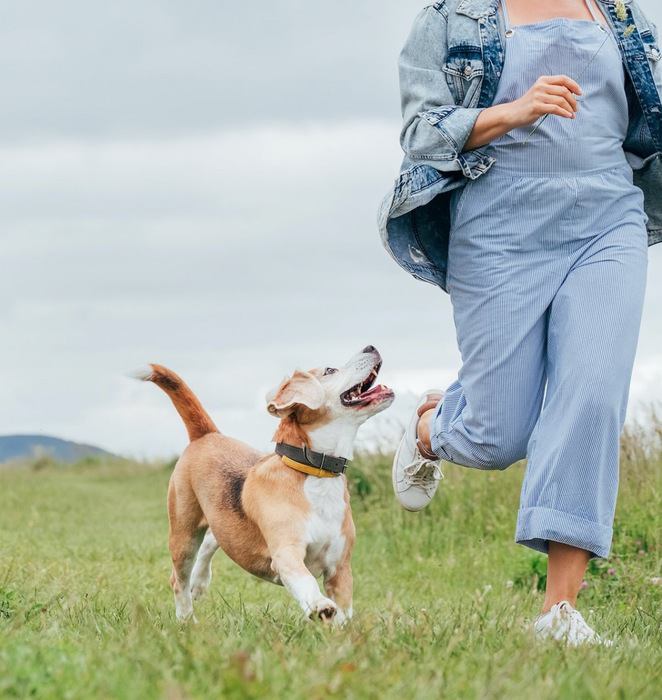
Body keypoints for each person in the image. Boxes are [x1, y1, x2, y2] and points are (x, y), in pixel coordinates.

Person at [382, 0, 661, 646]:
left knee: (590, 396)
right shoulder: (453, 19)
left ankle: (557, 614)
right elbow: (421, 132)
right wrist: (513, 111)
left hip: (606, 220)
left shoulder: (618, 12)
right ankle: (429, 429)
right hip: (501, 225)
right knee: (496, 433)